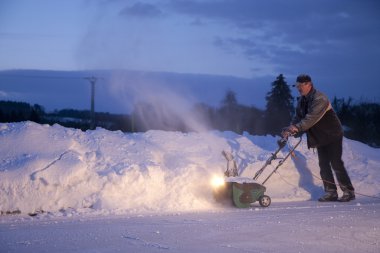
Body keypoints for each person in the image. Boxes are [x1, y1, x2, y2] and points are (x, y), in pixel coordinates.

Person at [282, 74, 355, 202]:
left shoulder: (320, 98)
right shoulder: (301, 101)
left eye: (300, 85)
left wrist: (297, 128)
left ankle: (348, 191)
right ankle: (331, 192)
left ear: (309, 84)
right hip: (320, 136)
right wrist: (291, 129)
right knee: (323, 164)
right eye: (297, 86)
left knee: (336, 162)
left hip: (332, 134)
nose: (298, 88)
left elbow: (311, 118)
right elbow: (298, 118)